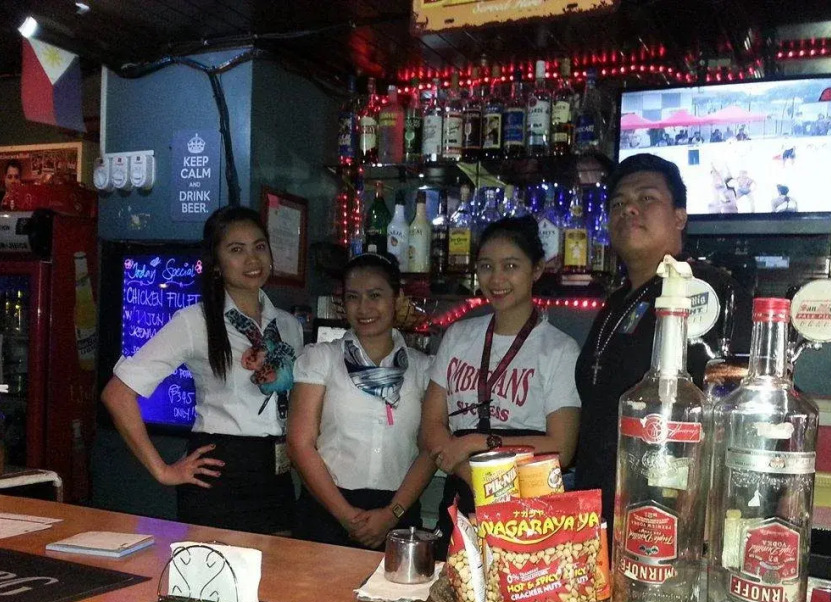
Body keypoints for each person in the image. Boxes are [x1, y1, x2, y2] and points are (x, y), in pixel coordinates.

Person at [573, 153, 750, 535]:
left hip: (672, 519)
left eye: (647, 198)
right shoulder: (616, 303)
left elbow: (741, 410)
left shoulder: (707, 291)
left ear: (679, 216)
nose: (629, 209)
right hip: (600, 517)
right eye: (617, 203)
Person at [102, 206, 303, 533]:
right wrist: (163, 471)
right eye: (236, 250)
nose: (252, 259)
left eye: (259, 246)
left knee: (279, 565)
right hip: (220, 475)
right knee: (217, 567)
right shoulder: (195, 321)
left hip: (277, 475)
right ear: (217, 264)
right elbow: (117, 394)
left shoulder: (289, 326)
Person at [421, 216, 581, 558]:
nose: (496, 279)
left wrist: (477, 443)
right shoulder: (458, 335)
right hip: (462, 496)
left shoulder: (559, 349)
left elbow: (562, 447)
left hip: (527, 504)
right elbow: (431, 427)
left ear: (536, 270)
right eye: (486, 266)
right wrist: (470, 474)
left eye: (510, 266)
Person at [287, 253, 435, 549]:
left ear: (397, 298)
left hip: (398, 512)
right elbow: (299, 444)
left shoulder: (424, 369)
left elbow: (431, 448)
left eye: (375, 295)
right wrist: (346, 516)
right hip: (327, 510)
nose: (364, 307)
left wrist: (391, 515)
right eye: (353, 297)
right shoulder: (321, 359)